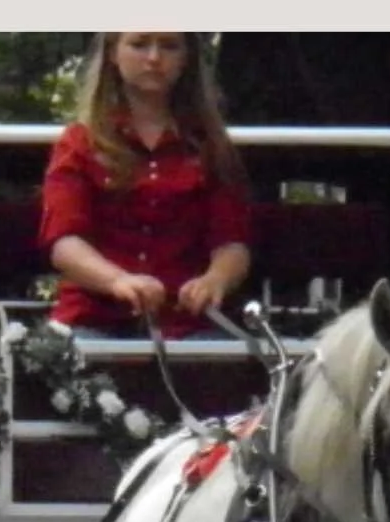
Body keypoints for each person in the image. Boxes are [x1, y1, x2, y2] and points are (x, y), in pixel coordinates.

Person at [38, 32, 252, 339]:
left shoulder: (212, 146)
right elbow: (65, 243)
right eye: (139, 44)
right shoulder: (78, 143)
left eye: (169, 46)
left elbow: (232, 241)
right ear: (113, 53)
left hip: (190, 325)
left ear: (186, 58)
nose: (154, 58)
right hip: (93, 320)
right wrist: (117, 281)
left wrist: (215, 280)